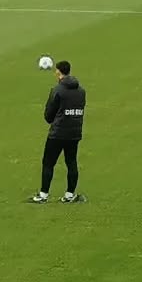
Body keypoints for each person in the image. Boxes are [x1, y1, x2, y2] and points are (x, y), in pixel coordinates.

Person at [31, 59, 86, 203]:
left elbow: (49, 115)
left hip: (58, 133)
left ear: (59, 72)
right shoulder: (81, 91)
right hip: (75, 132)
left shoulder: (57, 90)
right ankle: (69, 195)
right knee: (71, 162)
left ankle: (43, 196)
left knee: (48, 163)